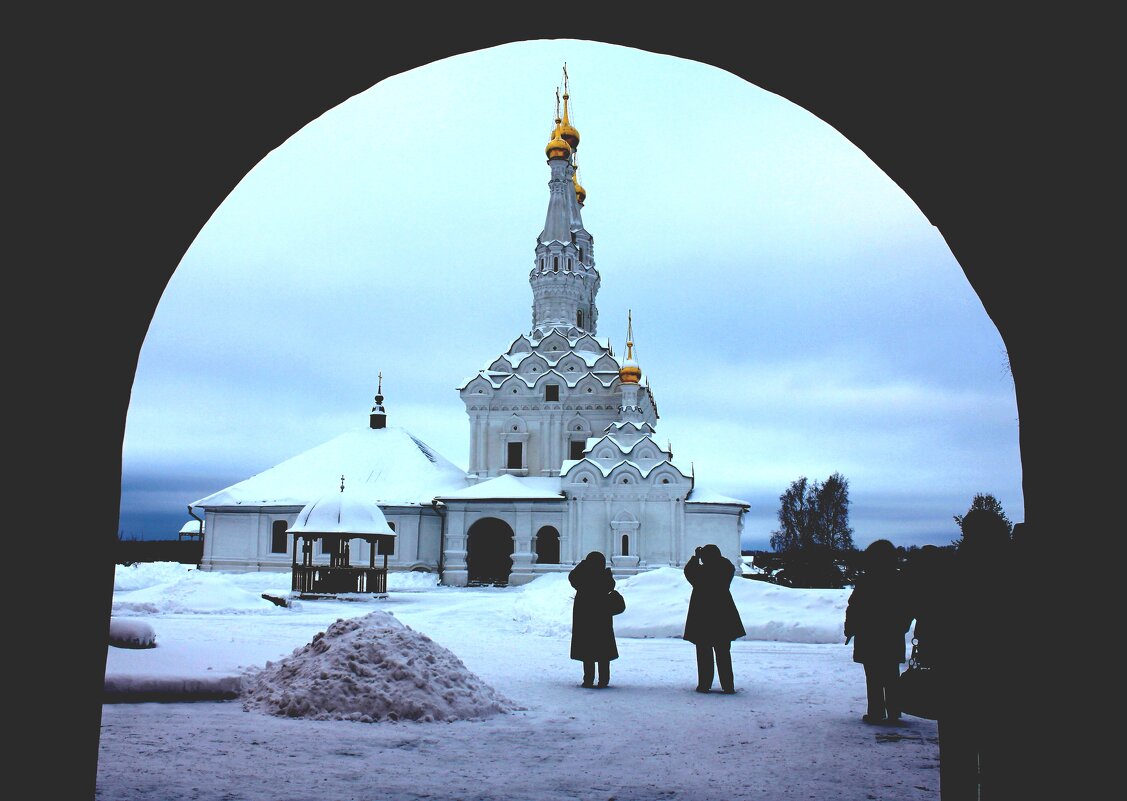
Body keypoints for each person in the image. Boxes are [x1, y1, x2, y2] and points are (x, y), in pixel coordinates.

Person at [914, 509, 1015, 800]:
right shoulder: (1016, 568)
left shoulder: (952, 570)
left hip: (956, 677)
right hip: (1005, 676)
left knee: (958, 756)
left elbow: (930, 619)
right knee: (1002, 756)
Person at [844, 538, 911, 724]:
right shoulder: (899, 580)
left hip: (869, 634)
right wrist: (901, 626)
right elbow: (907, 607)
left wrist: (850, 628)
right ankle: (894, 711)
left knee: (873, 675)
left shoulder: (867, 580)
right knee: (891, 674)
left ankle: (876, 711)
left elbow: (854, 607)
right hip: (891, 634)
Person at [683, 543, 745, 693]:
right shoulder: (724, 570)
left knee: (704, 653)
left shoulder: (702, 573)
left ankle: (704, 684)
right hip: (722, 616)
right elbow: (729, 566)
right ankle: (728, 685)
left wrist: (695, 557)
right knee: (723, 653)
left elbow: (689, 571)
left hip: (703, 617)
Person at [568, 551, 619, 688]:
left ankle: (588, 679)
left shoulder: (584, 578)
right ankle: (604, 680)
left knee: (588, 651)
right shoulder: (604, 577)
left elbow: (572, 577)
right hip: (602, 620)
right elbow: (610, 585)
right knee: (603, 651)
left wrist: (583, 564)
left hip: (586, 619)